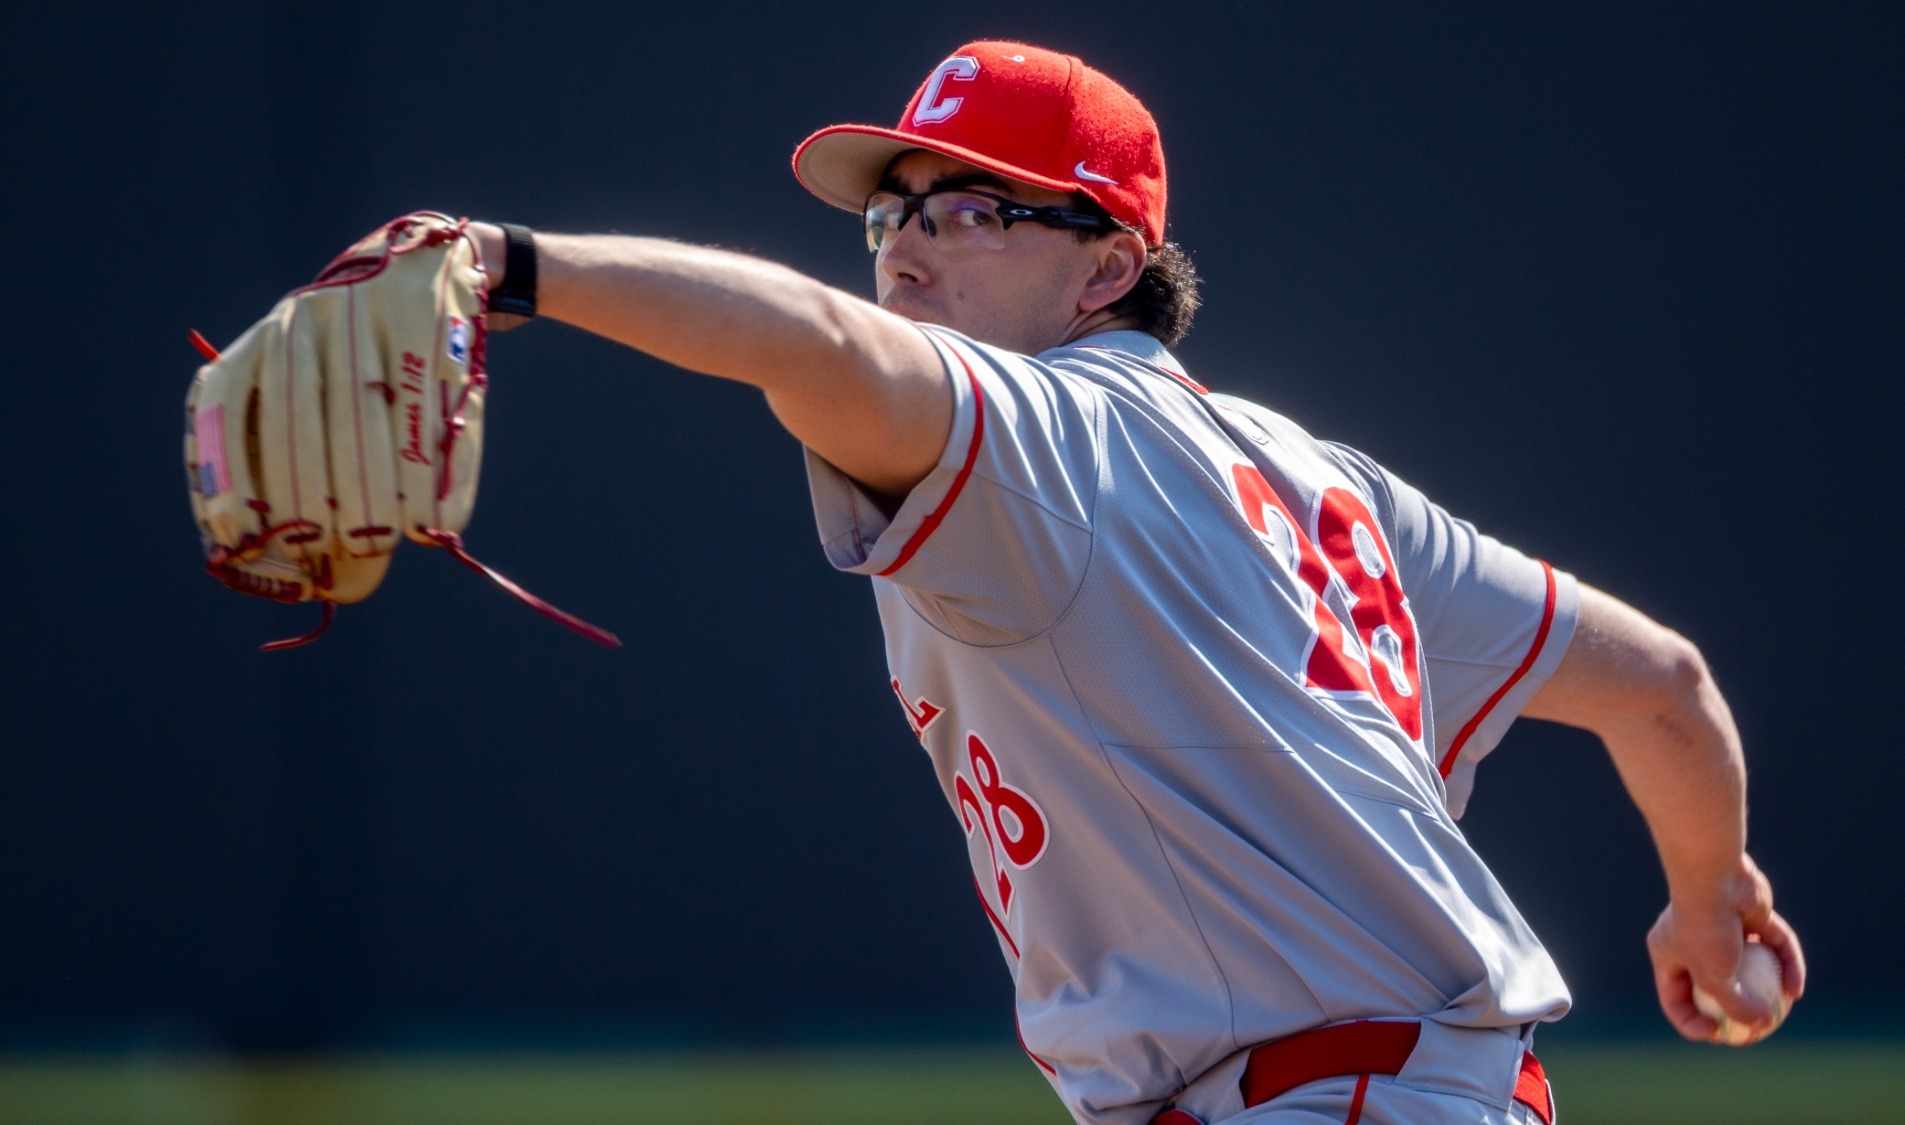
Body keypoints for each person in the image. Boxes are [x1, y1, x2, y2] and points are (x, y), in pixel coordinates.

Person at [461, 40, 1804, 1125]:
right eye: (895, 210)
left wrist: (508, 266)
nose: (908, 248)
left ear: (1110, 265)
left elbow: (815, 342)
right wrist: (1708, 896)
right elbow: (1665, 686)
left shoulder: (1055, 441)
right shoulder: (1329, 486)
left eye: (975, 209)